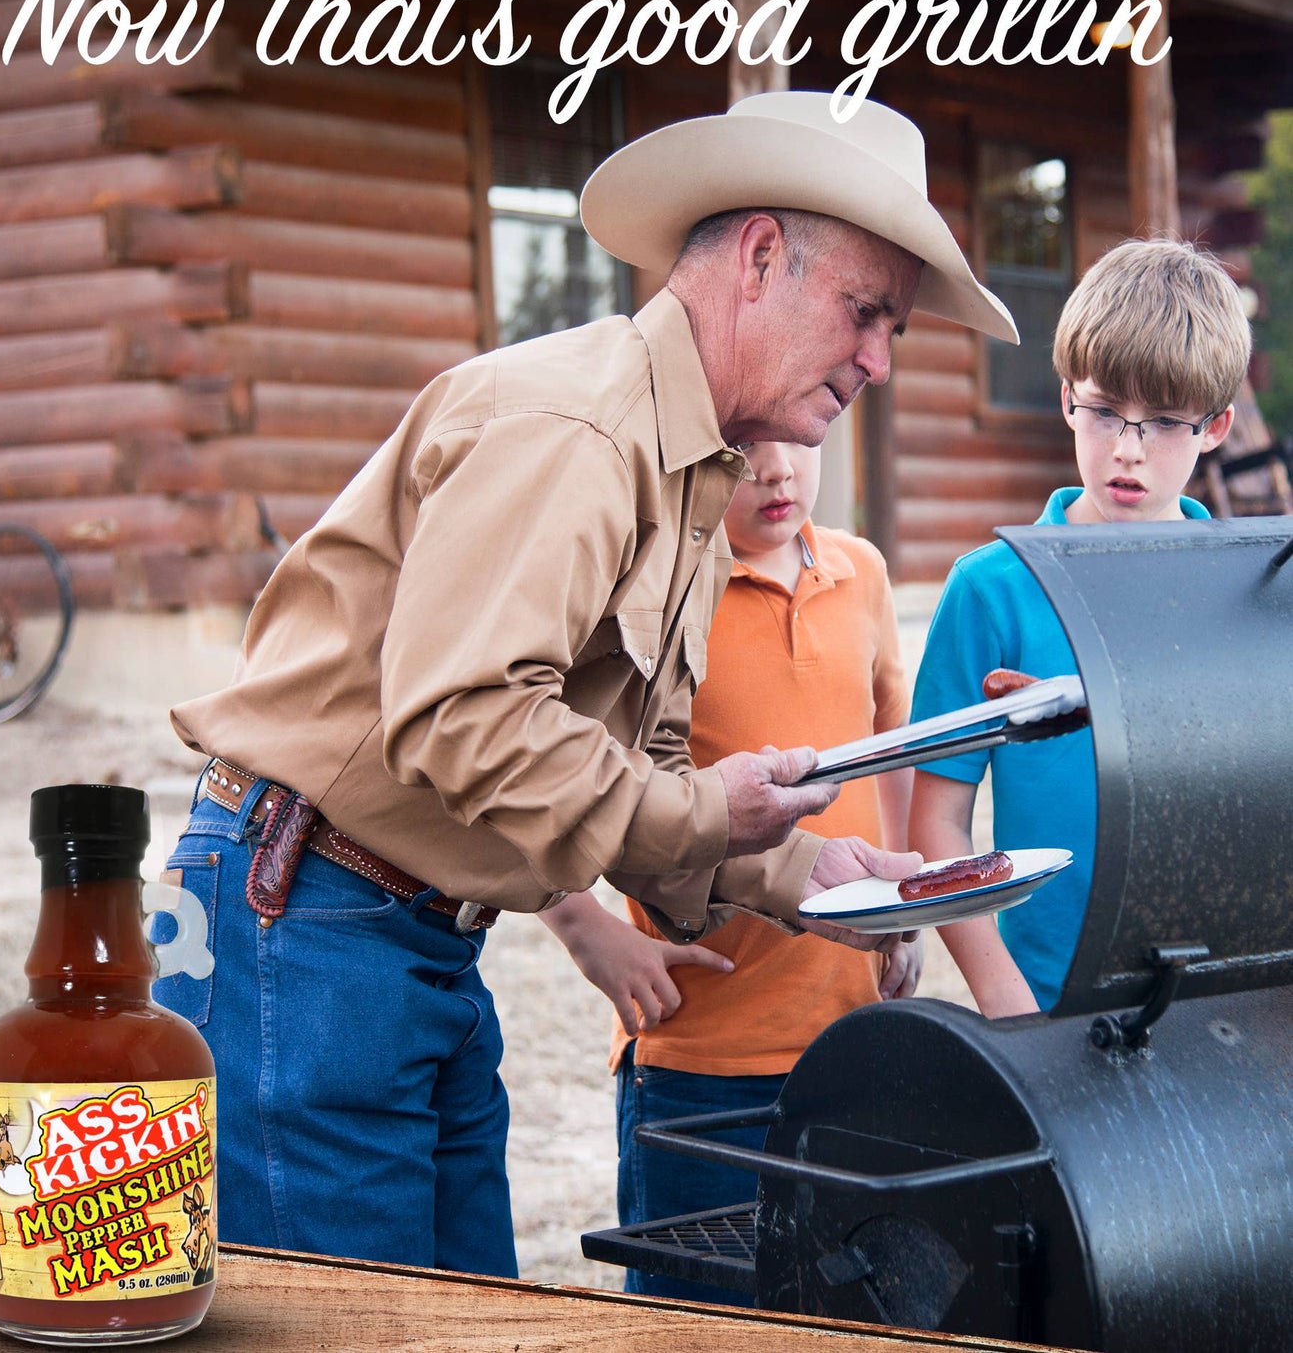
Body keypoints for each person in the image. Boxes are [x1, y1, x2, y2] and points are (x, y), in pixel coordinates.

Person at [151, 90, 1018, 1275]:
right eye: (864, 312)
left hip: (401, 933)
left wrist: (800, 869)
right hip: (301, 918)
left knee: (465, 1312)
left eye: (891, 330)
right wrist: (712, 810)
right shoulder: (581, 427)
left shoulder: (691, 472)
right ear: (760, 257)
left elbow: (629, 765)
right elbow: (463, 716)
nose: (876, 358)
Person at [541, 438, 920, 1305]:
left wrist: (902, 907)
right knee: (701, 1317)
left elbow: (891, 743)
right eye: (746, 447)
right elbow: (546, 769)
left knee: (838, 1311)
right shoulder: (657, 596)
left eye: (800, 441)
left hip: (848, 1045)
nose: (776, 469)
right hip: (699, 1061)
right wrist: (584, 926)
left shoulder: (861, 572)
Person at [908, 238, 1248, 1016]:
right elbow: (937, 817)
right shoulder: (989, 589)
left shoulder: (1250, 590)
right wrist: (1002, 994)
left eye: (1163, 421)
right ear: (1066, 398)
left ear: (1215, 424)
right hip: (1046, 1001)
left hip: (1221, 1001)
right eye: (1103, 412)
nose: (1126, 450)